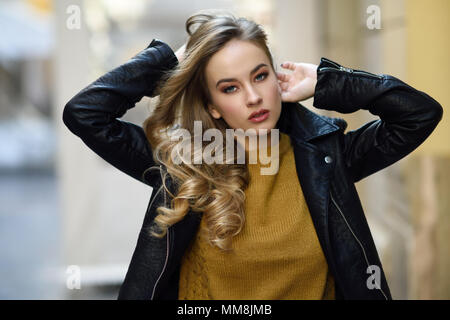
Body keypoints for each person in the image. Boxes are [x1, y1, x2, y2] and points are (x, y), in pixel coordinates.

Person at [62, 9, 443, 300]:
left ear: (277, 78)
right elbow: (85, 113)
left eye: (260, 76)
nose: (253, 97)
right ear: (211, 106)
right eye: (229, 87)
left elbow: (418, 114)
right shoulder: (181, 166)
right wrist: (163, 61)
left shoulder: (326, 158)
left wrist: (328, 81)